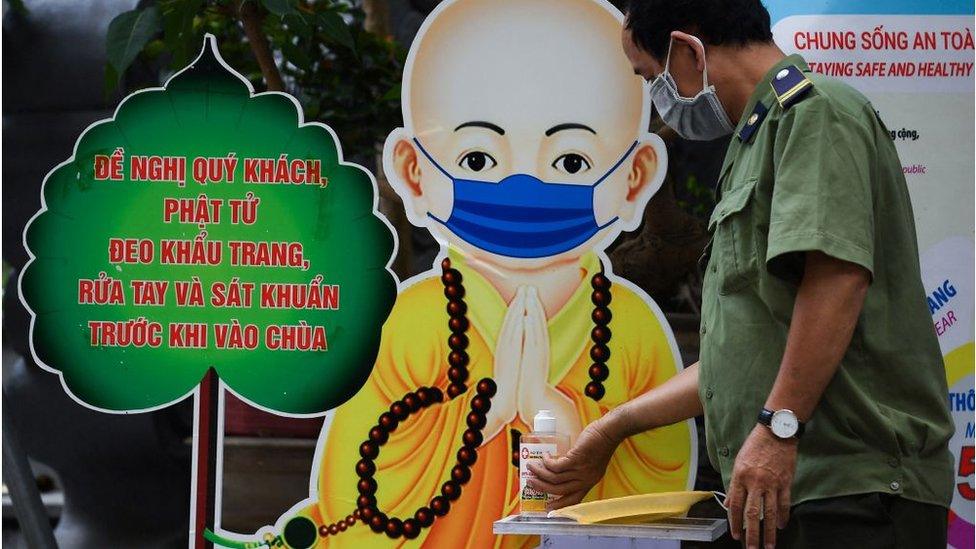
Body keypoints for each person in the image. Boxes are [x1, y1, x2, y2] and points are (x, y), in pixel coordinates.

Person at [528, 1, 955, 548]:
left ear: (687, 49)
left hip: (850, 491)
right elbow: (741, 357)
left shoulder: (815, 113)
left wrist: (779, 429)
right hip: (786, 489)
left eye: (652, 79)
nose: (660, 99)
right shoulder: (755, 141)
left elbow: (836, 281)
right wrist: (611, 429)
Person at [276, 0, 695, 546]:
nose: (522, 188)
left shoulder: (630, 326)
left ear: (634, 178)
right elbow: (351, 501)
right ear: (413, 171)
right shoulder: (410, 321)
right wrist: (482, 415)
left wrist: (570, 426)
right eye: (477, 160)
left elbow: (660, 487)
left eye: (572, 162)